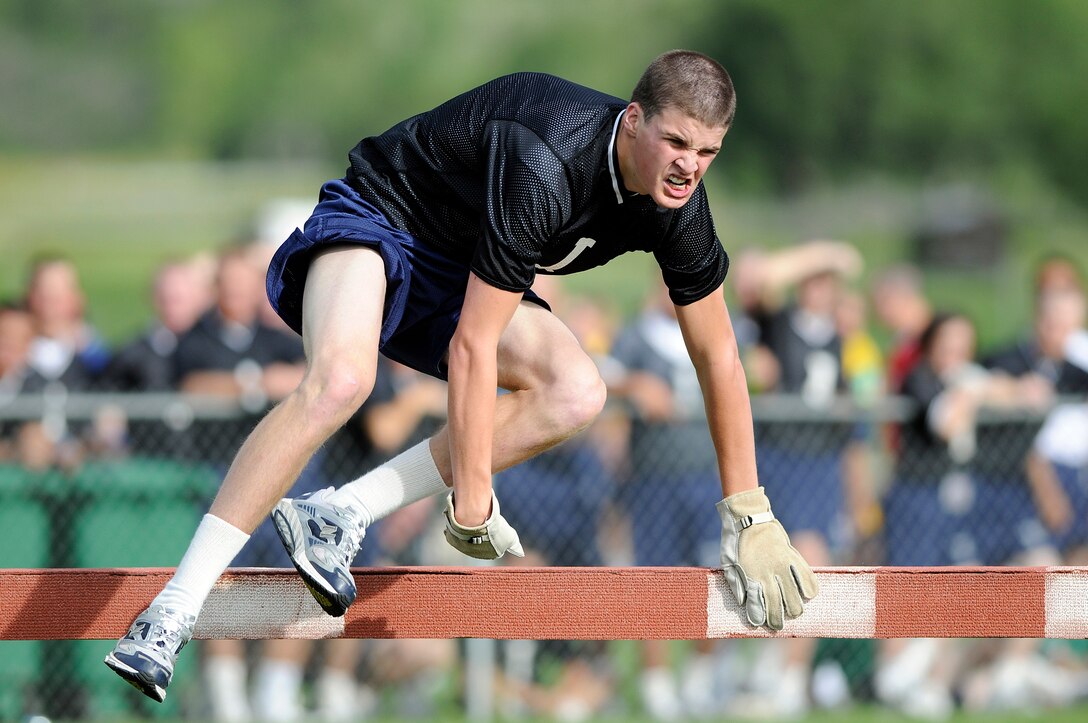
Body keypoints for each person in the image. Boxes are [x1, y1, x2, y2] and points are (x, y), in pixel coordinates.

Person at [105, 50, 819, 704]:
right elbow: (473, 348)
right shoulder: (548, 157)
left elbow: (719, 356)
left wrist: (748, 511)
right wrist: (472, 497)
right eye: (675, 142)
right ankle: (169, 612)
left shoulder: (680, 207)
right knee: (340, 382)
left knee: (578, 390)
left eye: (707, 152)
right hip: (382, 218)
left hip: (462, 268)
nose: (688, 167)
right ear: (633, 120)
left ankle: (340, 512)